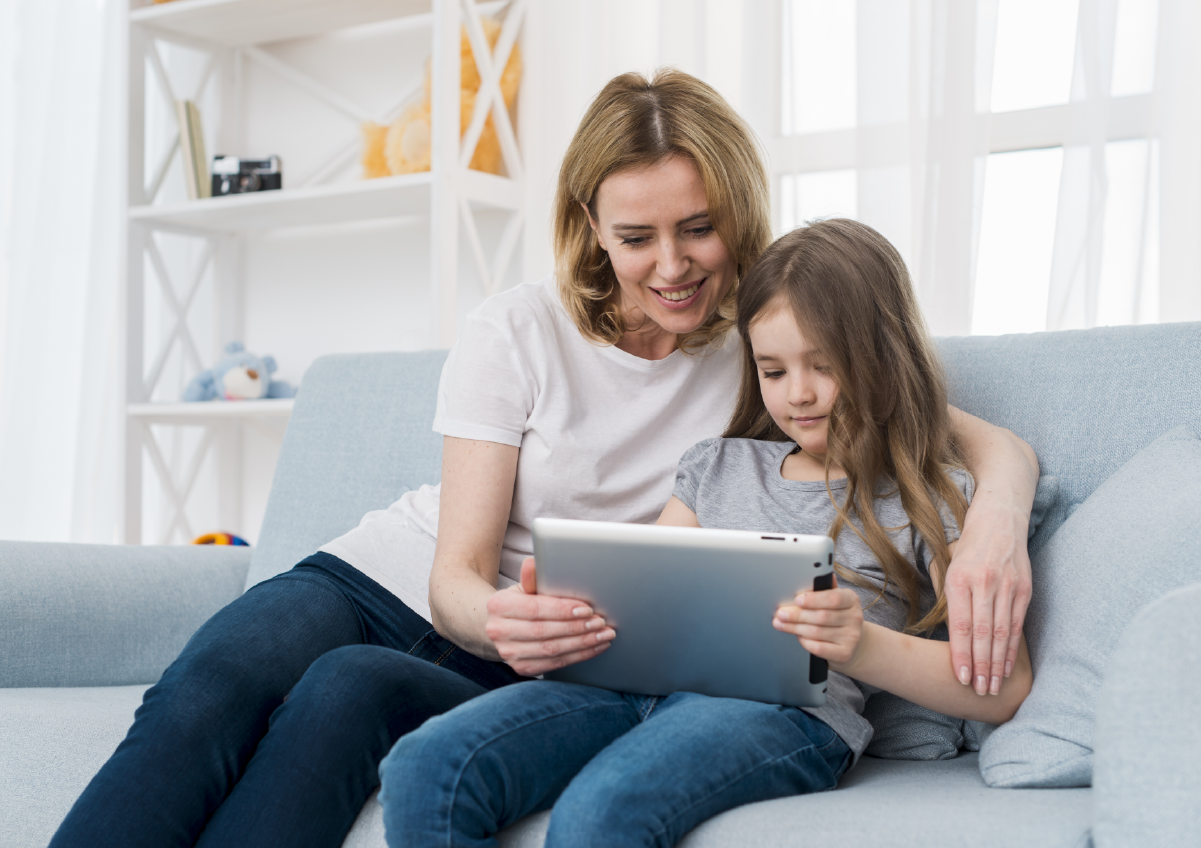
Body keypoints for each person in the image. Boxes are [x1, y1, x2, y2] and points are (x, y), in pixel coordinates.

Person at [51, 72, 1036, 848]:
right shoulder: (521, 323)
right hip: (441, 587)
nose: (672, 265)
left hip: (566, 637)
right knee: (211, 678)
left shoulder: (768, 336)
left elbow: (909, 409)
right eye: (635, 236)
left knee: (346, 691)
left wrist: (996, 510)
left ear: (736, 214)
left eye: (698, 228)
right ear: (591, 232)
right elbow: (456, 573)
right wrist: (501, 618)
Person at [378, 218, 1035, 848]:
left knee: (606, 807)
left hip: (783, 715)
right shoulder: (715, 466)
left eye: (824, 366)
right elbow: (654, 593)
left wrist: (859, 647)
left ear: (883, 357)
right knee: (425, 768)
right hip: (626, 691)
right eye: (773, 372)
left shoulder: (930, 499)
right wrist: (575, 612)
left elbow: (1004, 691)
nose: (797, 395)